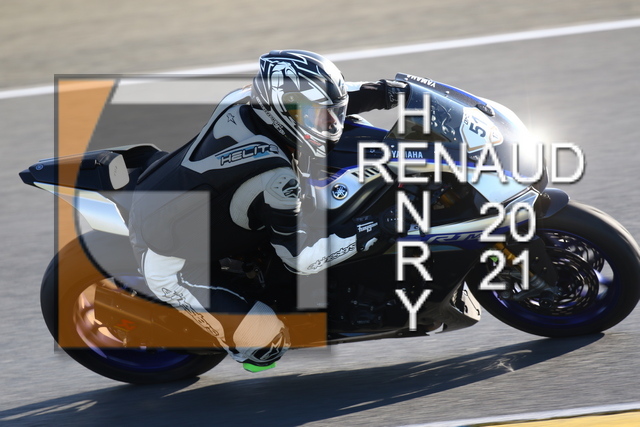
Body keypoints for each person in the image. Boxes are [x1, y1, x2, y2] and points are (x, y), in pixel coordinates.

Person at [128, 49, 407, 372]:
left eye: (334, 112)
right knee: (266, 346)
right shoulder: (275, 175)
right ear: (285, 112)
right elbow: (301, 259)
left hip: (178, 194)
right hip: (169, 255)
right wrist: (376, 228)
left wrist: (387, 93)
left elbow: (327, 99)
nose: (333, 123)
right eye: (322, 116)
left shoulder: (248, 100)